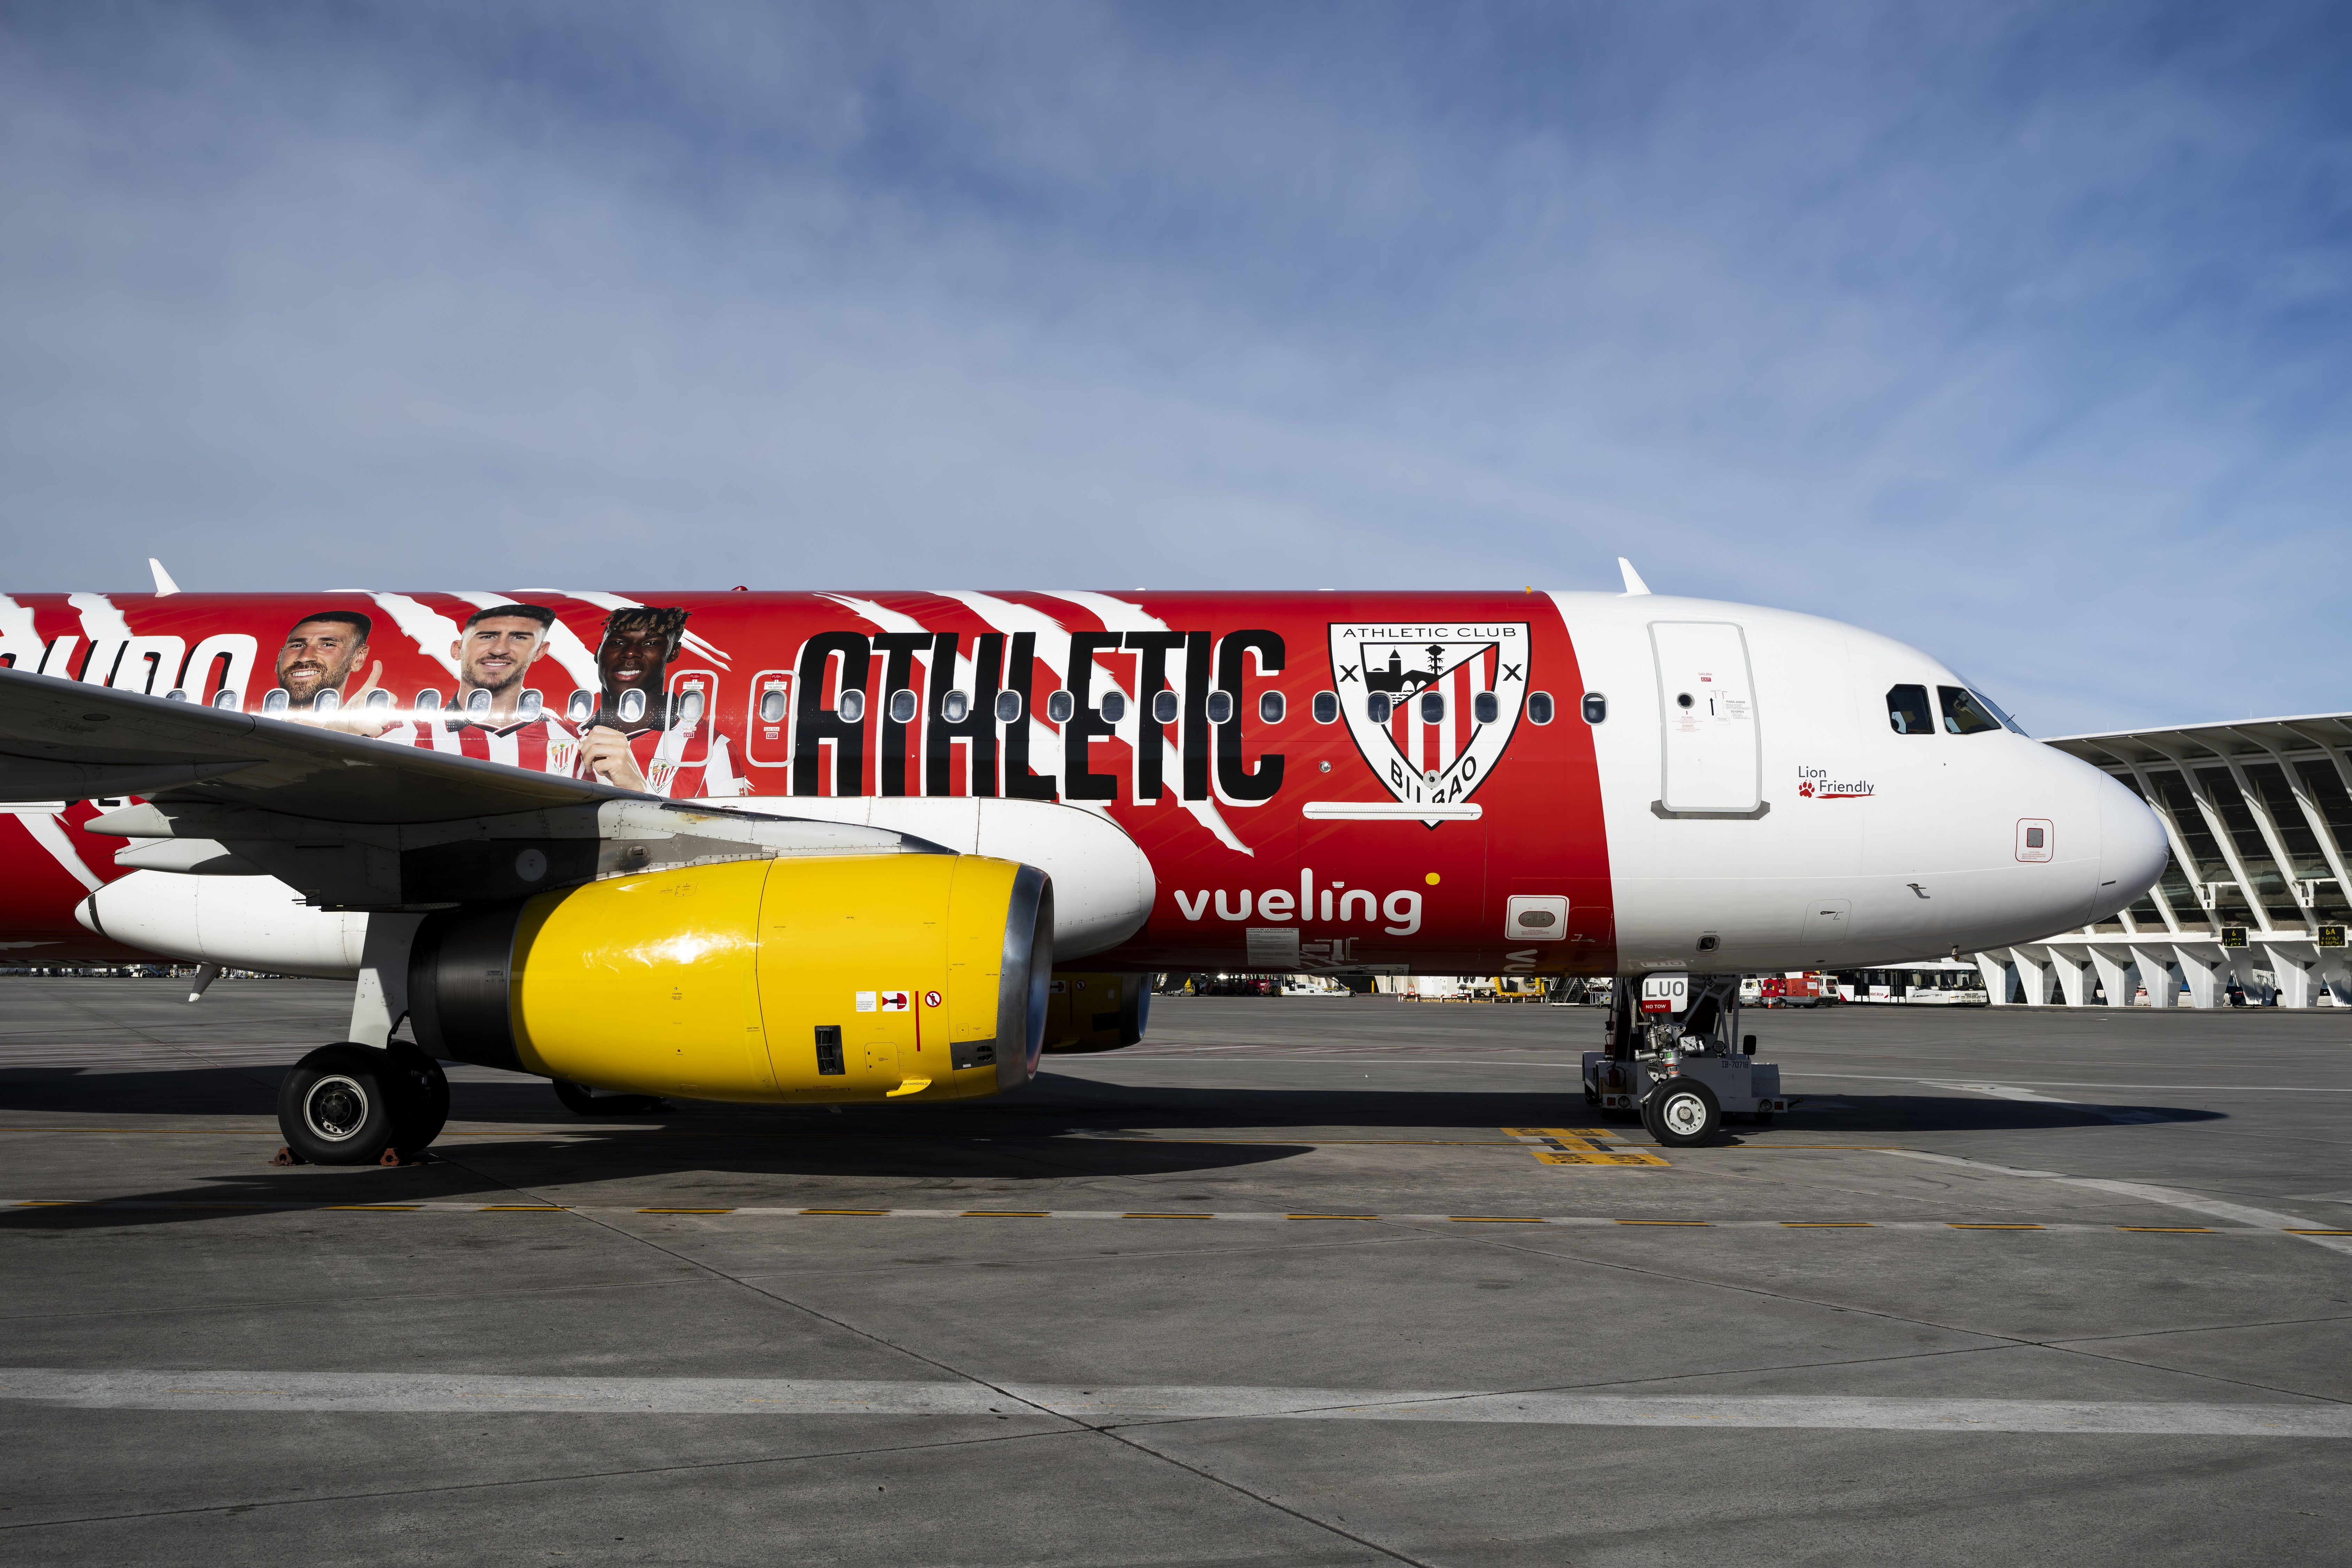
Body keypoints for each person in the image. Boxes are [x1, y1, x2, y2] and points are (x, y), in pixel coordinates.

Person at [574, 606, 740, 797]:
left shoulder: (713, 748)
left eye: (650, 643)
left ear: (673, 653)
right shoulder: (566, 736)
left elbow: (732, 825)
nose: (630, 653)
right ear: (598, 652)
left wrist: (637, 792)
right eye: (618, 643)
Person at [412, 604, 581, 776]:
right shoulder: (408, 734)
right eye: (488, 637)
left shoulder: (571, 739)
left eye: (519, 638)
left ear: (539, 652)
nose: (499, 650)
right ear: (458, 650)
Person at [271, 610, 380, 711]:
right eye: (297, 645)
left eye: (328, 645)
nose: (305, 657)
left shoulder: (387, 733)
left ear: (358, 658)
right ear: (279, 658)